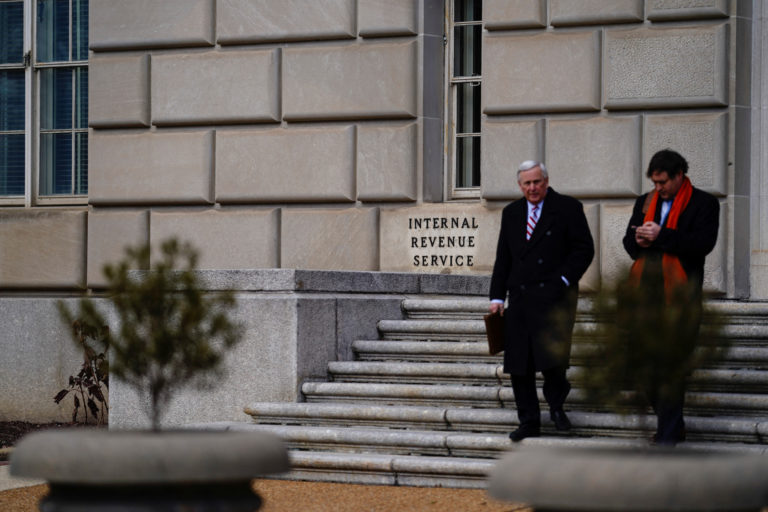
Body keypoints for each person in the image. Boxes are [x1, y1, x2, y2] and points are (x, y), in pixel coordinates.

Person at [489, 160, 595, 442]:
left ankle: (557, 407)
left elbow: (584, 249)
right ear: (520, 185)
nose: (533, 188)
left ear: (546, 181)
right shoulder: (511, 212)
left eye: (537, 182)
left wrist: (563, 280)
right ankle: (528, 421)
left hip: (554, 298)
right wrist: (497, 296)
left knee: (553, 361)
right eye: (527, 183)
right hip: (520, 298)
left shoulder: (568, 207)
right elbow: (504, 257)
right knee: (519, 364)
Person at [622, 148, 719, 446]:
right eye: (654, 182)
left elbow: (702, 245)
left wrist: (661, 235)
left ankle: (667, 437)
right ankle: (674, 426)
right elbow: (629, 243)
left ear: (679, 176)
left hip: (680, 299)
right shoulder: (645, 201)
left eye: (663, 182)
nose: (658, 188)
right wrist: (638, 240)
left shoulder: (704, 203)